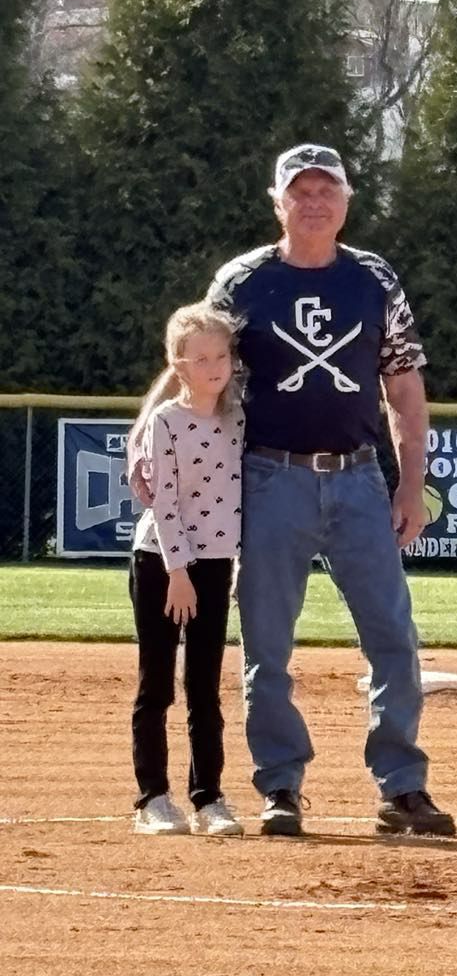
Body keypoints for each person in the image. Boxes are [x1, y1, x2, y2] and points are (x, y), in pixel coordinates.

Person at [205, 143, 456, 838]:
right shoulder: (241, 281)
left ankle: (402, 787)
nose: (313, 202)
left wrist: (411, 484)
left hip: (357, 478)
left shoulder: (373, 278)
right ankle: (280, 784)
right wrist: (152, 431)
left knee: (393, 636)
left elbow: (403, 385)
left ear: (346, 201)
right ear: (277, 201)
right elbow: (197, 364)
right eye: (300, 190)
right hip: (268, 477)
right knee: (266, 645)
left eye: (326, 190)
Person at [126, 303, 245, 836]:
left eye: (221, 356)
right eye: (201, 359)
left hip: (215, 565)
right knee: (156, 684)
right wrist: (178, 572)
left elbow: (238, 501)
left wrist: (236, 563)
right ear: (178, 366)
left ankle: (209, 798)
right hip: (163, 562)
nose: (215, 367)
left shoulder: (238, 419)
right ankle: (152, 798)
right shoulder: (166, 422)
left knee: (204, 687)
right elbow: (165, 502)